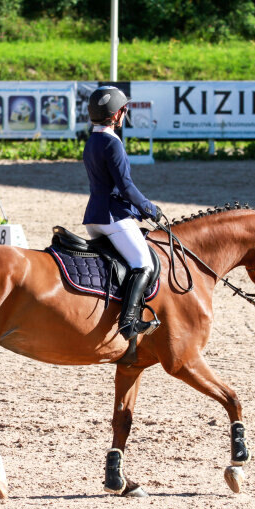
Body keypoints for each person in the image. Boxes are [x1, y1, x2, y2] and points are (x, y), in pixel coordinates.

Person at [82, 86, 163, 341]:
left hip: (94, 217)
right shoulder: (112, 143)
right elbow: (126, 187)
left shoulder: (92, 140)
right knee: (144, 263)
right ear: (117, 114)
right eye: (124, 110)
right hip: (111, 218)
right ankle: (129, 322)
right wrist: (149, 209)